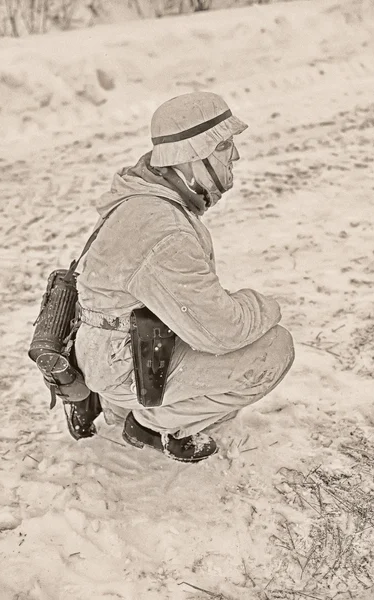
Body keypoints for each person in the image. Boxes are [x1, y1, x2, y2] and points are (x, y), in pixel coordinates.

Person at [72, 91, 294, 463]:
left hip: (109, 345)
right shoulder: (163, 227)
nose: (235, 155)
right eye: (223, 146)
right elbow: (221, 331)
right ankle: (155, 424)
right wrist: (265, 306)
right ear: (191, 157)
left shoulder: (144, 197)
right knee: (274, 349)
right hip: (121, 359)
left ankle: (121, 404)